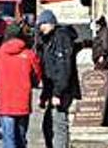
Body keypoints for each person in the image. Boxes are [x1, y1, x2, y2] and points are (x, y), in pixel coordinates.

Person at [0, 22, 42, 148]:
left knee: (9, 138)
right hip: (23, 103)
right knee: (21, 137)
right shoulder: (29, 55)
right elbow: (37, 77)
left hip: (5, 103)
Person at [36, 10, 81, 148]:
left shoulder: (62, 38)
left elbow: (64, 69)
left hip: (62, 90)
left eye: (43, 24)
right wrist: (45, 95)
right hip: (52, 88)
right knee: (48, 125)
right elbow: (47, 68)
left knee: (59, 123)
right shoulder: (47, 40)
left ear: (51, 23)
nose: (40, 27)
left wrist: (57, 93)